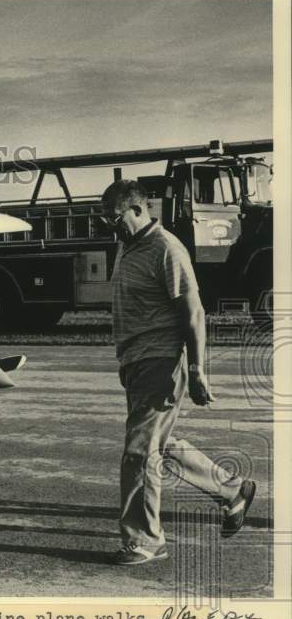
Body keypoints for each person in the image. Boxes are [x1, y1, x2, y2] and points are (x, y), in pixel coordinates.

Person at [102, 180, 256, 566]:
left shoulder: (166, 248)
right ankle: (232, 489)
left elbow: (194, 311)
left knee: (139, 452)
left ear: (137, 209)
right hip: (137, 362)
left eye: (114, 217)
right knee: (159, 446)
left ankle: (146, 540)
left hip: (161, 360)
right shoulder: (128, 246)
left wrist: (197, 368)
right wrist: (127, 362)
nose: (111, 225)